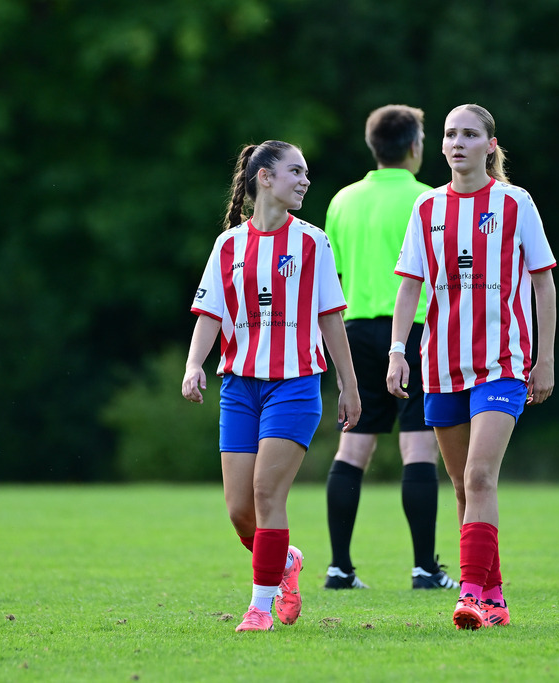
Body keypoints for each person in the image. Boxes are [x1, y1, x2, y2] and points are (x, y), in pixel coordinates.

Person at [387, 104, 557, 629]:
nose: (458, 142)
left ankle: (471, 596)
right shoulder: (426, 209)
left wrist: (544, 357)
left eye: (469, 134)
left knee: (481, 475)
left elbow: (543, 282)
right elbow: (410, 284)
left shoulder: (515, 203)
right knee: (463, 487)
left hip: (502, 364)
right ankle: (496, 595)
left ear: (490, 144)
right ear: (440, 146)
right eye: (449, 134)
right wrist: (397, 349)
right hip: (441, 366)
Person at [181, 140, 361, 632]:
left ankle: (259, 607)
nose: (305, 180)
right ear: (265, 177)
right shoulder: (228, 245)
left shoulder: (313, 242)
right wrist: (195, 364)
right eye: (295, 171)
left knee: (266, 493)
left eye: (306, 173)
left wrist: (349, 384)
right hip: (239, 387)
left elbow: (330, 319)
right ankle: (284, 563)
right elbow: (209, 314)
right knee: (239, 510)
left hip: (296, 386)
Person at [322, 105, 456, 591]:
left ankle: (339, 568)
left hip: (355, 331)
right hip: (416, 333)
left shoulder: (342, 202)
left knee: (352, 447)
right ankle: (424, 568)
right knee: (418, 445)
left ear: (372, 145)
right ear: (417, 146)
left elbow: (332, 280)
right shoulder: (431, 201)